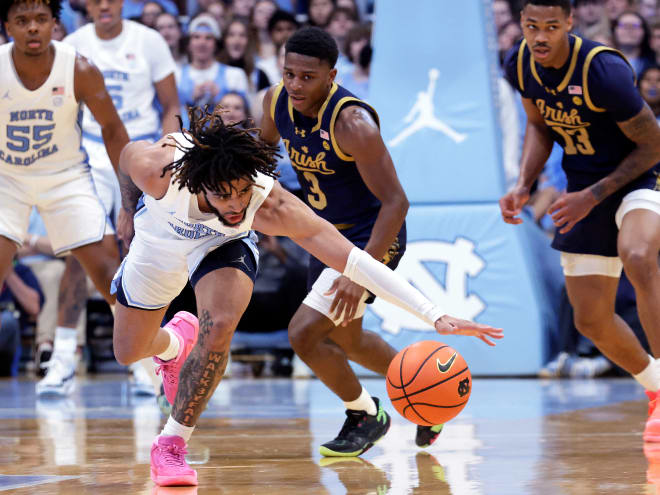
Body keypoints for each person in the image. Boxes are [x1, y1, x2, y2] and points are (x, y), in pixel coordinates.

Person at [111, 106, 503, 486]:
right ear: (199, 184)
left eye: (242, 192)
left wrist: (433, 314)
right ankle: (175, 344)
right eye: (223, 195)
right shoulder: (159, 169)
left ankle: (171, 444)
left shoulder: (268, 203)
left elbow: (354, 260)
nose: (235, 204)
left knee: (221, 326)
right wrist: (128, 210)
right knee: (129, 351)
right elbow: (126, 155)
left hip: (219, 247)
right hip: (156, 244)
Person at [258, 26, 449, 457]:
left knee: (304, 334)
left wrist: (360, 272)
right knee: (349, 339)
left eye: (307, 77)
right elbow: (261, 158)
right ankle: (428, 394)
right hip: (321, 235)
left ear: (332, 75)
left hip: (371, 236)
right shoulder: (274, 102)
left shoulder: (352, 122)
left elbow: (397, 203)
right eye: (288, 73)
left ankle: (365, 414)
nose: (295, 85)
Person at [500, 0, 660, 443]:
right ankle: (656, 388)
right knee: (591, 320)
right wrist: (523, 183)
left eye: (552, 26)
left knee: (639, 254)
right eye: (532, 26)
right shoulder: (521, 62)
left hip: (641, 176)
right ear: (521, 24)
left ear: (570, 23)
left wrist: (592, 196)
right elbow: (538, 125)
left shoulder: (602, 71)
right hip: (583, 186)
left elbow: (652, 146)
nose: (541, 37)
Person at [0, 0, 130, 396]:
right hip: (7, 177)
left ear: (56, 24)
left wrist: (128, 199)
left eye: (41, 19)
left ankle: (153, 366)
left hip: (65, 177)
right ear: (7, 27)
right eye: (22, 21)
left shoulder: (80, 68)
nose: (33, 29)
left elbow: (112, 130)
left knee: (110, 274)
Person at [50, 0, 180, 398]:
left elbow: (171, 104)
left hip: (139, 155)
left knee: (139, 254)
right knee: (82, 252)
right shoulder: (73, 44)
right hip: (88, 154)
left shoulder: (150, 41)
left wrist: (166, 150)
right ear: (85, 5)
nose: (104, 4)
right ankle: (61, 358)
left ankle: (146, 358)